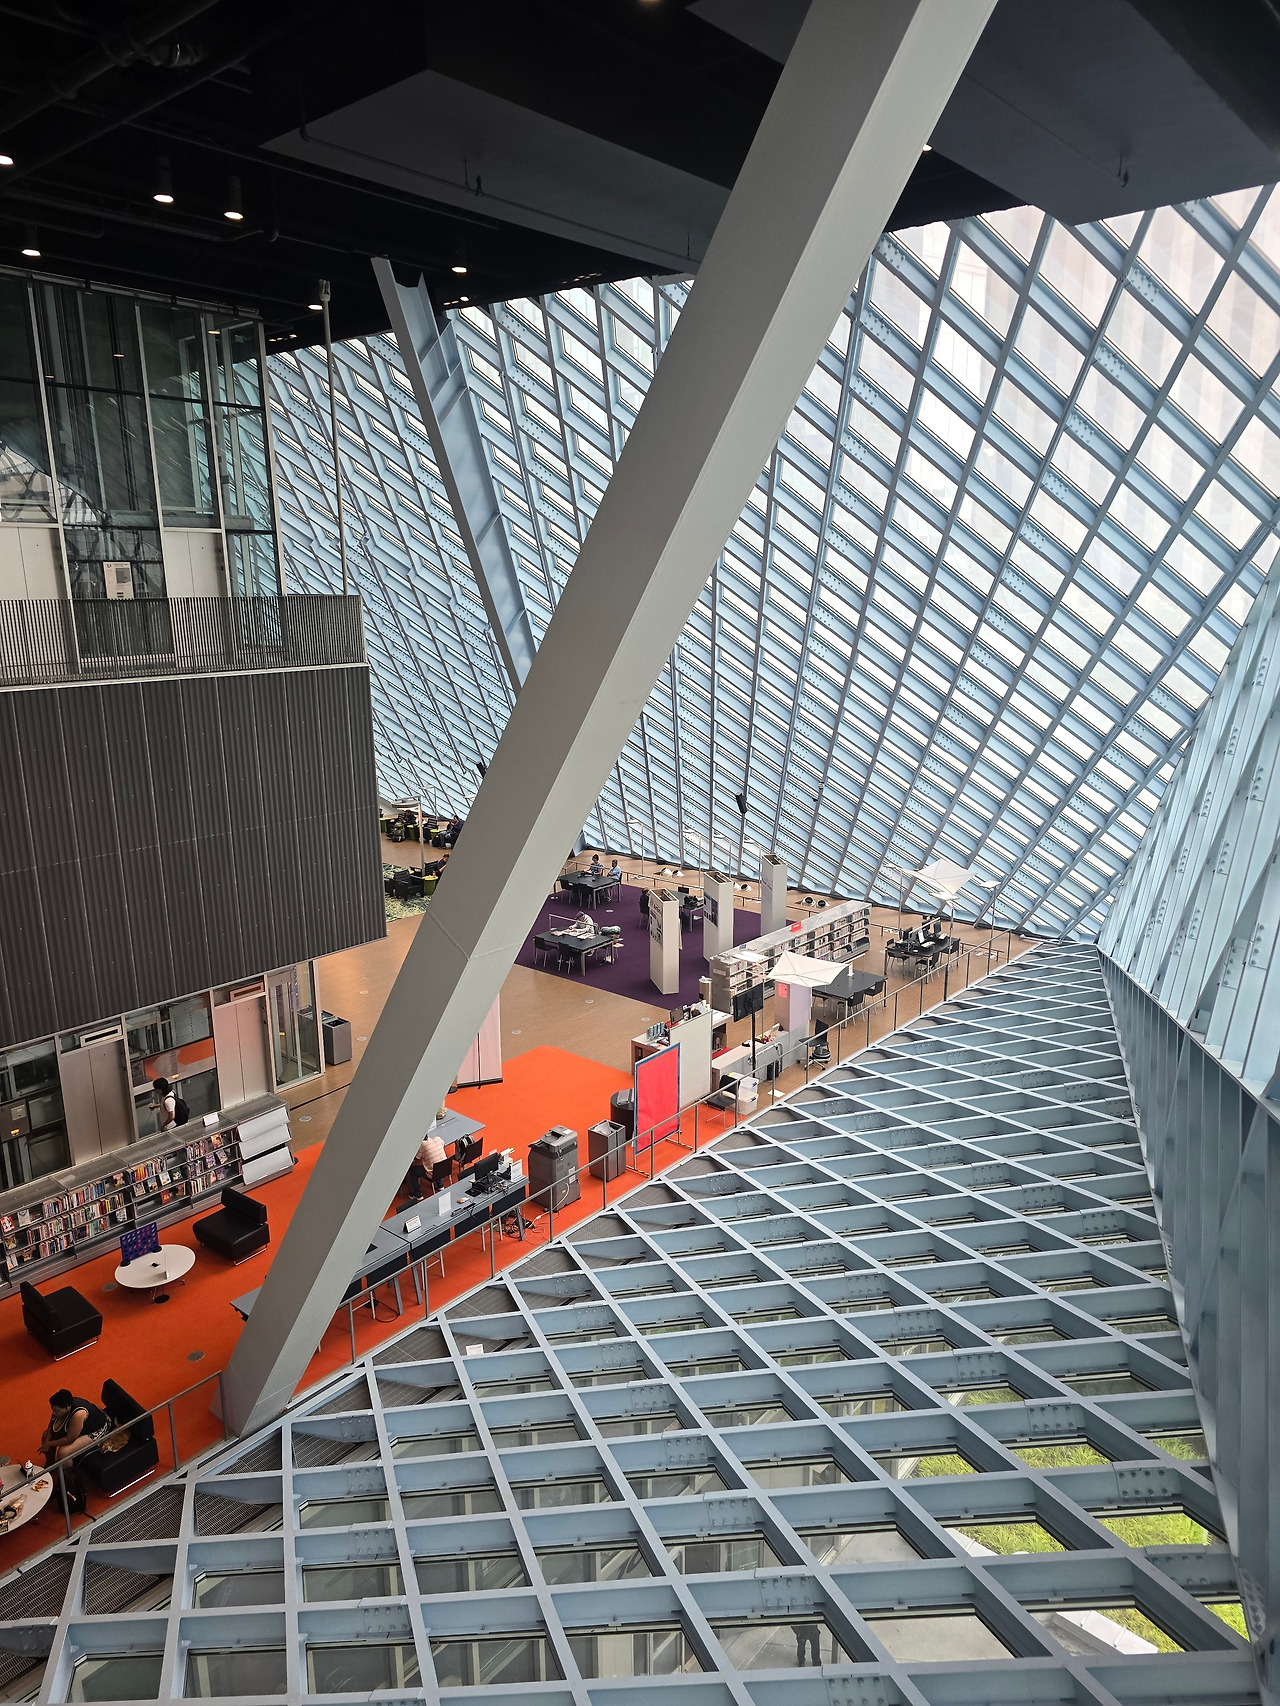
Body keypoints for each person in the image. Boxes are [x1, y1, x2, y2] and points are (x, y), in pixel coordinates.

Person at [39, 1390, 107, 1515]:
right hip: (79, 1427)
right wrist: (47, 1441)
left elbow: (69, 1439)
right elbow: (52, 1423)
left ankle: (68, 1481)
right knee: (45, 1436)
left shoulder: (78, 1414)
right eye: (53, 1410)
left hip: (96, 1429)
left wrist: (49, 1444)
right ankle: (50, 1465)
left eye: (57, 1411)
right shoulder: (60, 1406)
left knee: (63, 1452)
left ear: (66, 1407)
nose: (54, 1413)